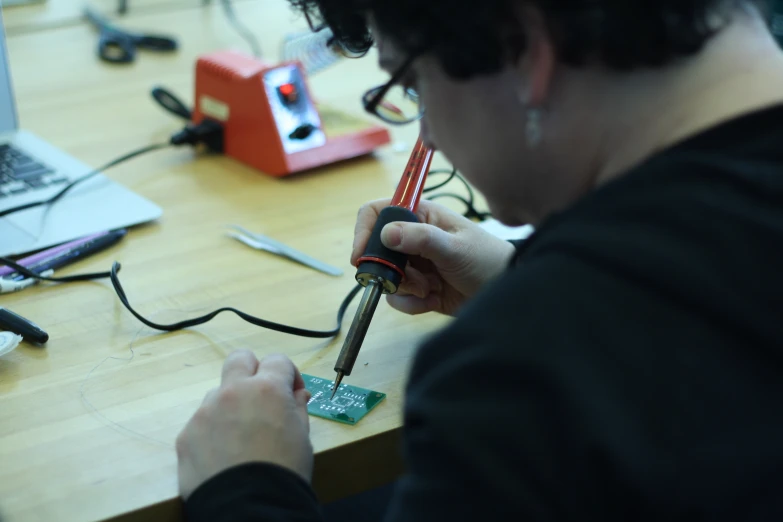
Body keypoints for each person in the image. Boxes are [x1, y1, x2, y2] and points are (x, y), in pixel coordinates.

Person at [175, 0, 783, 519]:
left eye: (413, 87)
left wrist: (245, 487)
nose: (429, 136)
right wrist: (519, 279)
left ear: (524, 47)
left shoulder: (523, 379)